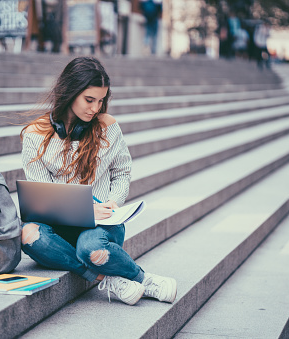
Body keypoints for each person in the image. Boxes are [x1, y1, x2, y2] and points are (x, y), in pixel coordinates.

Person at [19, 57, 177, 305]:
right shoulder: (35, 135)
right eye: (89, 100)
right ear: (69, 93)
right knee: (28, 234)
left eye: (101, 100)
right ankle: (108, 278)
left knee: (90, 249)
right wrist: (82, 210)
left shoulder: (108, 127)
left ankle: (143, 280)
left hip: (103, 222)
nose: (95, 108)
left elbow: (122, 172)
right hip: (59, 226)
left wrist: (113, 203)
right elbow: (43, 199)